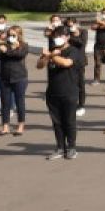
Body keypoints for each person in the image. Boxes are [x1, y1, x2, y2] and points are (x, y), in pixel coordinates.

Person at [38, 26, 82, 160]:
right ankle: (60, 147)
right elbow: (39, 65)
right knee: (57, 123)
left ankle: (72, 148)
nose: (57, 38)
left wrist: (51, 56)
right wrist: (46, 57)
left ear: (67, 37)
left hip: (69, 92)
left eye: (60, 36)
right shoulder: (52, 50)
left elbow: (66, 63)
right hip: (53, 92)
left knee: (69, 121)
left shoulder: (73, 50)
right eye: (55, 36)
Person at [0, 25, 29, 137]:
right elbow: (0, 56)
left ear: (19, 35)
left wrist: (8, 51)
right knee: (5, 103)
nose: (11, 37)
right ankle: (5, 127)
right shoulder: (3, 45)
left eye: (13, 35)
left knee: (20, 102)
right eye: (9, 35)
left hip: (19, 77)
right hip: (5, 77)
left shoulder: (24, 46)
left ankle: (20, 126)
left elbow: (19, 55)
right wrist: (6, 50)